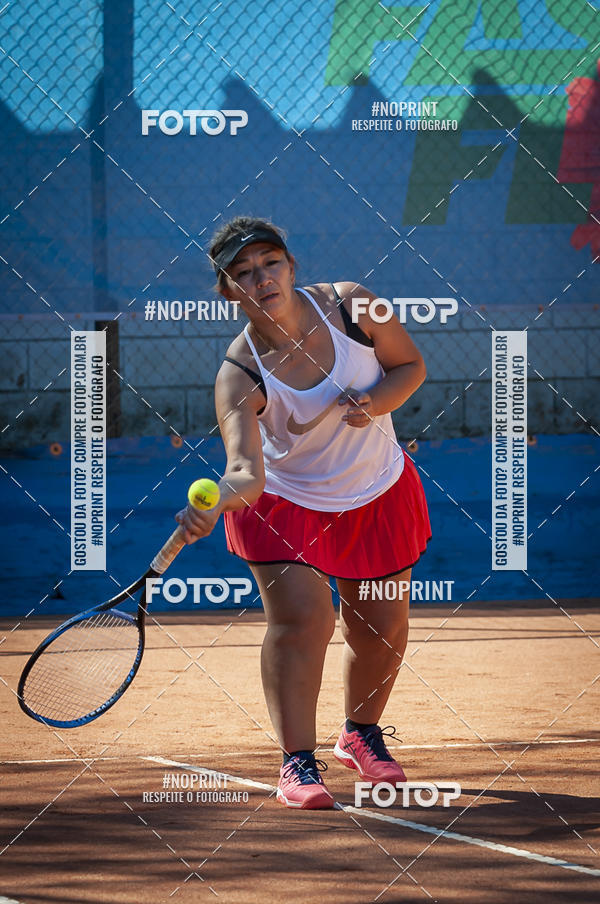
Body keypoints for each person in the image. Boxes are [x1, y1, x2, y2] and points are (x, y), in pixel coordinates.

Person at [176, 216, 431, 809]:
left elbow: (410, 367)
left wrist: (375, 405)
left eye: (270, 263)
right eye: (243, 273)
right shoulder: (238, 374)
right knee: (303, 621)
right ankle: (298, 762)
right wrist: (213, 506)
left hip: (375, 491)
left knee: (381, 630)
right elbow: (245, 473)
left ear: (291, 267)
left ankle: (360, 734)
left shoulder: (356, 307)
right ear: (228, 292)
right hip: (286, 503)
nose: (261, 278)